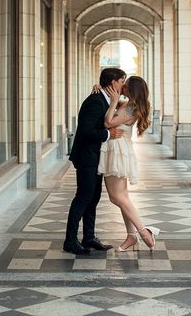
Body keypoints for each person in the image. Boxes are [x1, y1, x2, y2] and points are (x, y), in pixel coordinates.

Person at [63, 67, 126, 255]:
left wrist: (115, 101)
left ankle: (89, 237)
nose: (123, 85)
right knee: (83, 198)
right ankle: (70, 241)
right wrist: (109, 133)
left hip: (96, 158)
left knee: (93, 198)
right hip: (86, 158)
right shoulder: (94, 101)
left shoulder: (106, 99)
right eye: (122, 81)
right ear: (113, 82)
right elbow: (86, 131)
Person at [98, 76, 160, 252]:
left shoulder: (131, 108)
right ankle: (131, 236)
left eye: (125, 87)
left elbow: (108, 122)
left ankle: (144, 232)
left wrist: (113, 103)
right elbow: (112, 106)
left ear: (132, 90)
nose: (122, 88)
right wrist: (102, 91)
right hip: (117, 150)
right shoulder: (128, 104)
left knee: (116, 197)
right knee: (122, 196)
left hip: (117, 151)